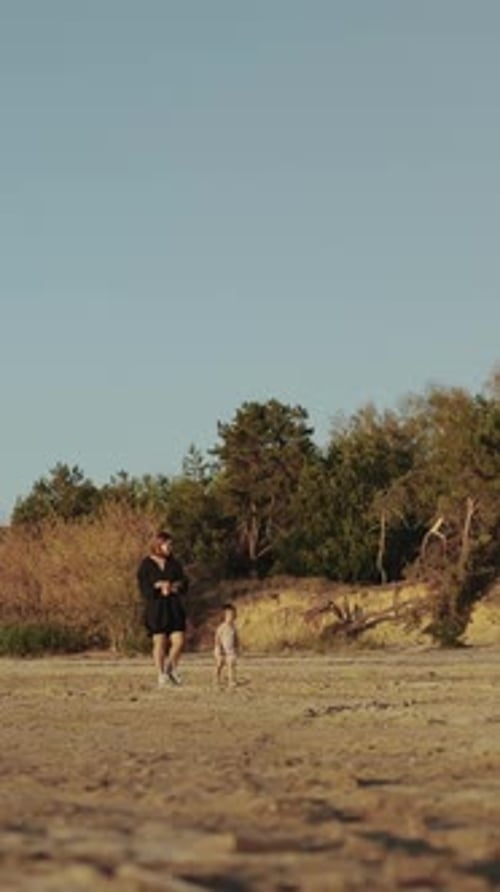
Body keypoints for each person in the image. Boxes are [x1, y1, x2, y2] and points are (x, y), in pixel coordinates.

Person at [137, 530, 189, 687]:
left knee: (179, 641)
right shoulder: (146, 565)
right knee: (159, 641)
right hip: (156, 608)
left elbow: (184, 583)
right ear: (159, 545)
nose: (170, 547)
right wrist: (158, 587)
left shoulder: (175, 563)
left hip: (173, 607)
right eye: (168, 544)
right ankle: (161, 674)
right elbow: (144, 588)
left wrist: (174, 587)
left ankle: (170, 668)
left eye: (171, 544)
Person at [214, 603, 239, 688]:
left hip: (231, 651)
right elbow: (217, 638)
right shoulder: (222, 627)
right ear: (224, 616)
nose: (231, 617)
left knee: (231, 665)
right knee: (220, 664)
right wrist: (219, 648)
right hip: (221, 650)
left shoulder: (233, 627)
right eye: (229, 616)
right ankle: (217, 676)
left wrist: (237, 646)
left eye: (233, 615)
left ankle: (231, 680)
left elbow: (236, 638)